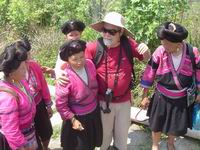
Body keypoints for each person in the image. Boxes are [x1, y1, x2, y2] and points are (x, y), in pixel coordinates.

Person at [85, 12, 151, 150]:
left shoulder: (129, 45)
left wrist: (146, 51)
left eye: (112, 31)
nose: (107, 35)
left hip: (124, 101)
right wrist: (62, 74)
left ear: (120, 32)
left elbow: (146, 58)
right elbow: (77, 63)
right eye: (104, 30)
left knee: (122, 138)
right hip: (103, 101)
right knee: (103, 138)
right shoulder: (94, 47)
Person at [140, 22, 200, 150]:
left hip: (181, 97)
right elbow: (149, 72)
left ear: (179, 44)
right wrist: (144, 96)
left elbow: (199, 72)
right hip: (162, 96)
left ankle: (170, 143)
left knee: (175, 124)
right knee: (156, 123)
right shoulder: (160, 51)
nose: (164, 46)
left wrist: (199, 92)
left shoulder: (192, 52)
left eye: (167, 44)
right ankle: (155, 144)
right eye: (163, 42)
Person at [55, 40, 102, 150]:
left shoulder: (90, 64)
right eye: (74, 59)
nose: (79, 61)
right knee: (79, 146)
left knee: (91, 144)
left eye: (81, 57)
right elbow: (61, 105)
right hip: (77, 117)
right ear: (67, 61)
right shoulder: (65, 77)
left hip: (93, 112)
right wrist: (72, 119)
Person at [17, 39, 53, 150]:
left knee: (46, 131)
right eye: (25, 54)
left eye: (29, 53)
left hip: (38, 104)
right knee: (31, 136)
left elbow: (43, 85)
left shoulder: (34, 66)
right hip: (24, 110)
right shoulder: (15, 70)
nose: (27, 56)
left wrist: (48, 105)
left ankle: (45, 147)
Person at [0, 42, 37, 150]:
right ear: (11, 73)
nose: (26, 69)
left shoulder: (20, 81)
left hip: (29, 132)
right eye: (22, 68)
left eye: (25, 64)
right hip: (19, 142)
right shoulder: (7, 98)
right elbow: (11, 131)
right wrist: (21, 147)